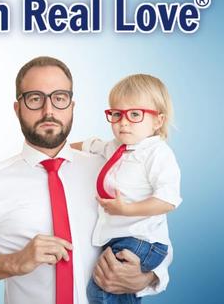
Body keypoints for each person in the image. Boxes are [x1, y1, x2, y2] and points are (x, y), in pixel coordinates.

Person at [0, 56, 170, 304]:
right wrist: (12, 262)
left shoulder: (109, 171)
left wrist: (147, 277)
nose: (48, 111)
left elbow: (153, 233)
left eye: (59, 98)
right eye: (34, 99)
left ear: (72, 107)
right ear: (17, 108)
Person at [73, 74, 181, 304]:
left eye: (134, 115)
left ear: (157, 121)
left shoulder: (157, 153)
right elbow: (89, 144)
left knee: (102, 292)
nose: (123, 122)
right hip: (119, 239)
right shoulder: (114, 147)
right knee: (109, 292)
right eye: (116, 114)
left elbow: (168, 200)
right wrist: (59, 149)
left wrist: (127, 209)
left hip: (143, 240)